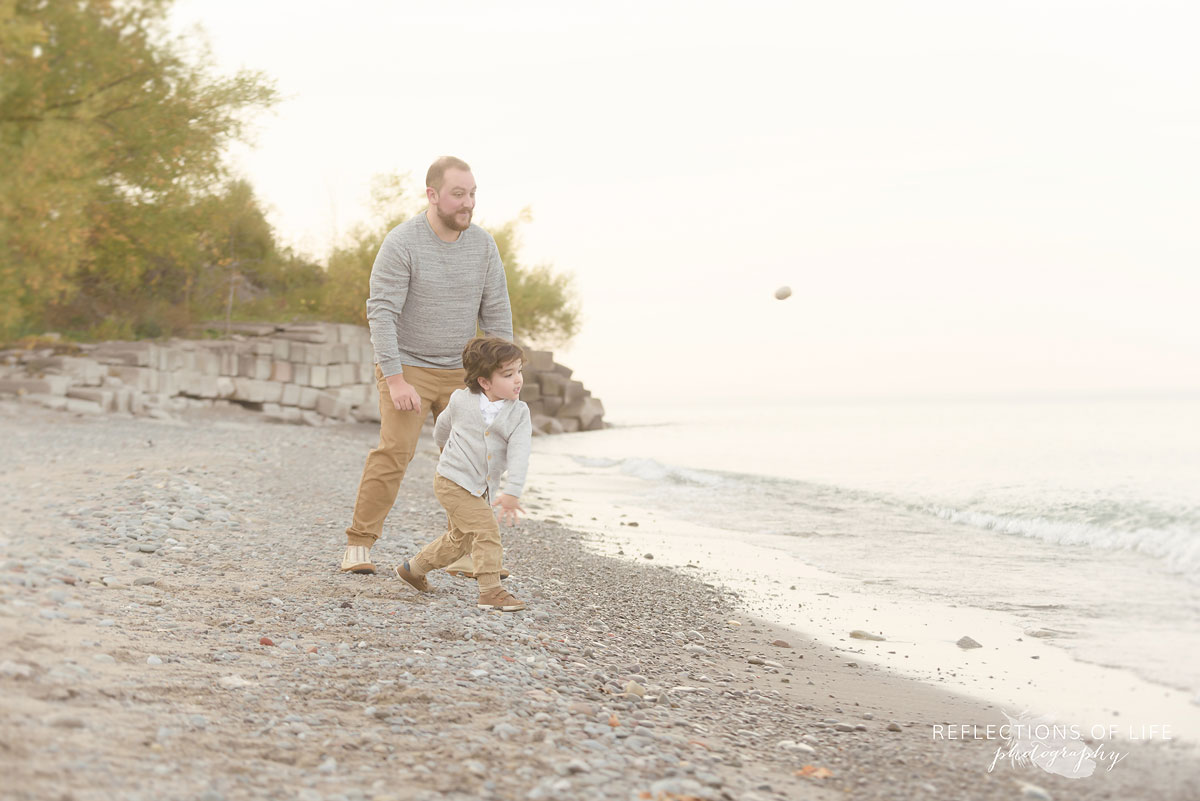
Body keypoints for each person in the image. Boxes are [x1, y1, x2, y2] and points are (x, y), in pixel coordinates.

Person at [340, 156, 513, 575]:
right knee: (395, 452)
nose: (467, 203)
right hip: (409, 367)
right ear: (433, 195)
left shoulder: (483, 245)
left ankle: (467, 552)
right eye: (458, 194)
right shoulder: (403, 242)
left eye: (472, 194)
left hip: (463, 371)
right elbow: (381, 312)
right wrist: (396, 381)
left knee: (475, 458)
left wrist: (504, 375)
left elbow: (496, 314)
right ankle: (359, 544)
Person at [394, 337, 531, 612]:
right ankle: (491, 591)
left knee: (461, 539)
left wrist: (512, 491)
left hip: (481, 487)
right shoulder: (460, 401)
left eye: (519, 371)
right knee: (485, 530)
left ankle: (413, 568)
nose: (518, 380)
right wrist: (448, 453)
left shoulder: (519, 413)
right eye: (508, 374)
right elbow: (441, 428)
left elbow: (520, 453)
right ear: (484, 382)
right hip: (451, 480)